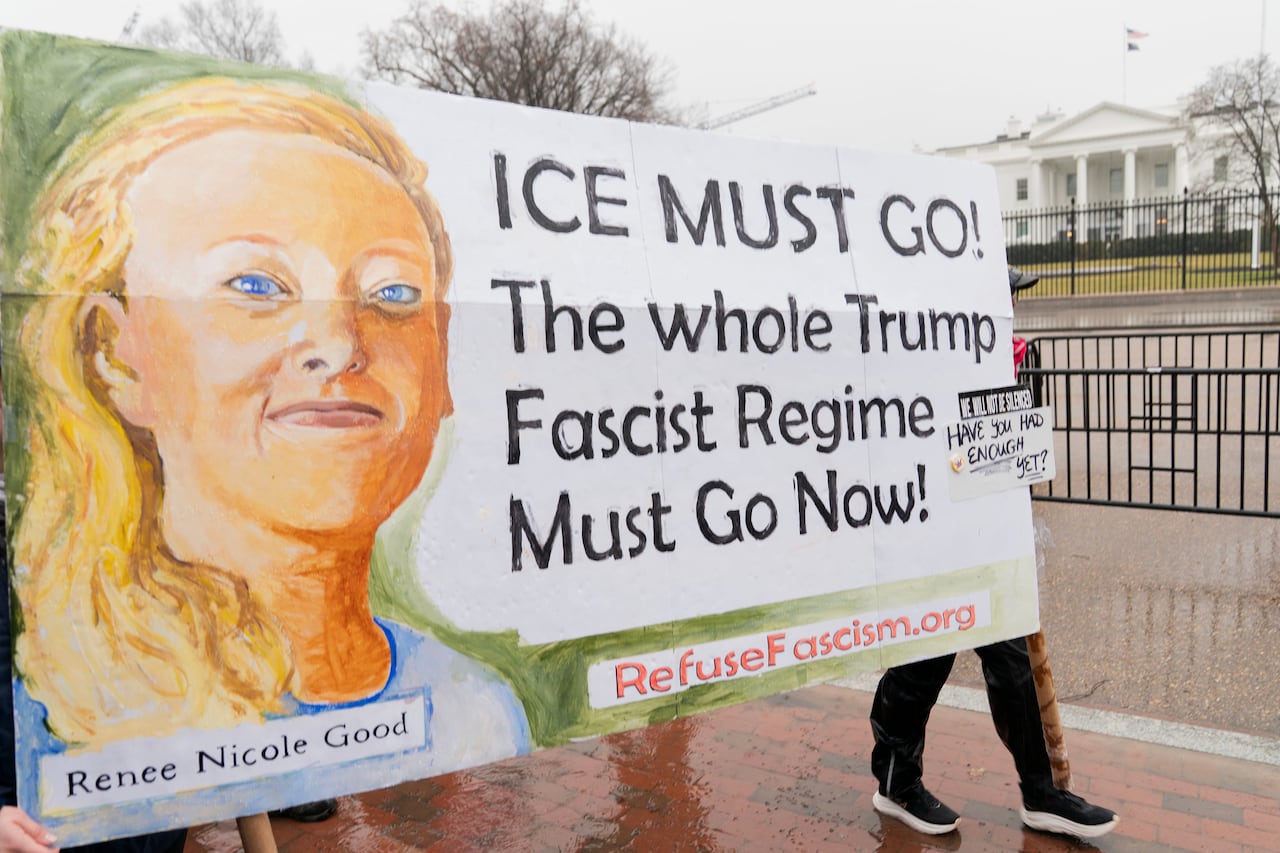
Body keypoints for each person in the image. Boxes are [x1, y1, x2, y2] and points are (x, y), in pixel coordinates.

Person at [4, 71, 528, 840]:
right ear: (114, 354)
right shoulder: (49, 707)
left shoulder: (474, 707)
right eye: (255, 284)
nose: (340, 345)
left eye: (392, 295)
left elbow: (234, 746)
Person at [867, 266, 1118, 840]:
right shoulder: (922, 360)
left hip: (986, 542)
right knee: (925, 660)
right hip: (932, 539)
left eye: (1013, 297)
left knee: (1010, 662)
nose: (1012, 306)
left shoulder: (1006, 358)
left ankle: (1041, 793)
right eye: (1004, 297)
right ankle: (896, 782)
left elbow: (1011, 456)